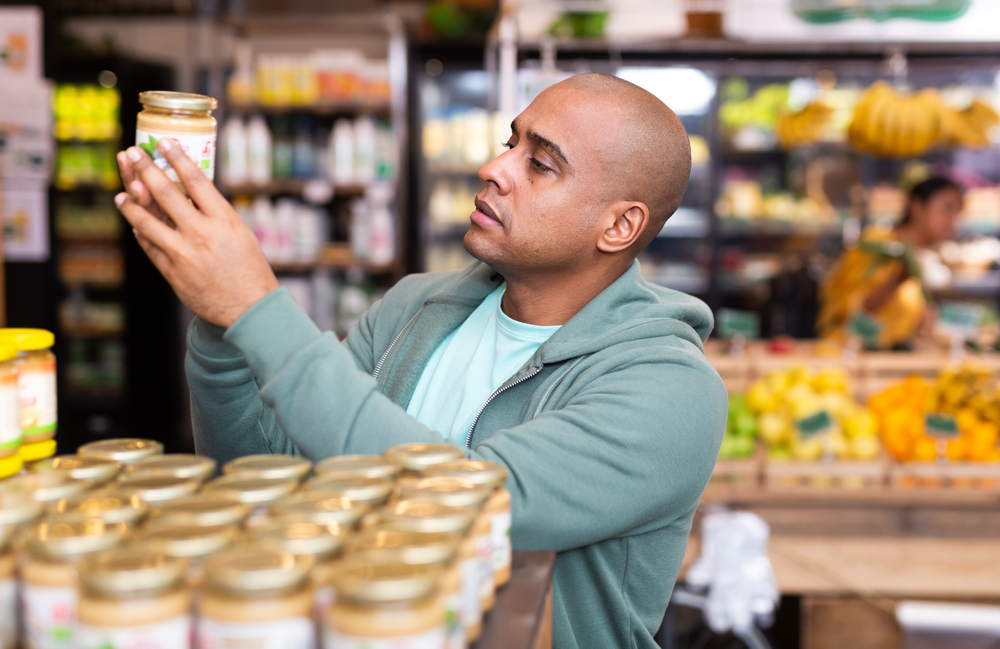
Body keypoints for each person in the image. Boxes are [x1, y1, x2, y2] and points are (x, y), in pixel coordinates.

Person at [114, 73, 727, 649]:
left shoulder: (670, 389)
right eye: (508, 142)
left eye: (539, 164)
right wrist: (222, 323)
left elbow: (466, 503)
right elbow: (268, 484)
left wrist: (256, 306)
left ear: (619, 226)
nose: (492, 169)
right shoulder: (416, 305)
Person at [819, 176, 963, 349]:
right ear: (916, 206)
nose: (953, 220)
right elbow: (850, 308)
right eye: (947, 209)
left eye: (958, 212)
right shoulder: (876, 243)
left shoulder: (920, 258)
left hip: (889, 359)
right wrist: (899, 279)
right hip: (847, 356)